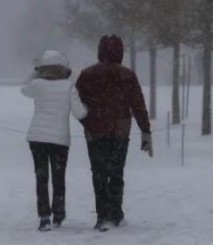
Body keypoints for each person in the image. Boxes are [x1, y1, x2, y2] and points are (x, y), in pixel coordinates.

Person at [75, 34, 152, 232]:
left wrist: (87, 122)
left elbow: (76, 103)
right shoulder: (127, 75)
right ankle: (115, 213)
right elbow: (137, 104)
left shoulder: (87, 74)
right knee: (117, 173)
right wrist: (145, 131)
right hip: (120, 129)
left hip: (95, 130)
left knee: (99, 174)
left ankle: (102, 216)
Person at [21, 50, 87, 232]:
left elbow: (23, 87)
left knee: (41, 178)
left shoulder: (37, 85)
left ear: (42, 68)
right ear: (63, 69)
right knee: (58, 178)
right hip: (59, 140)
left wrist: (35, 70)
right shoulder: (68, 87)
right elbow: (79, 113)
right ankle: (58, 213)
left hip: (37, 138)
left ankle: (44, 216)